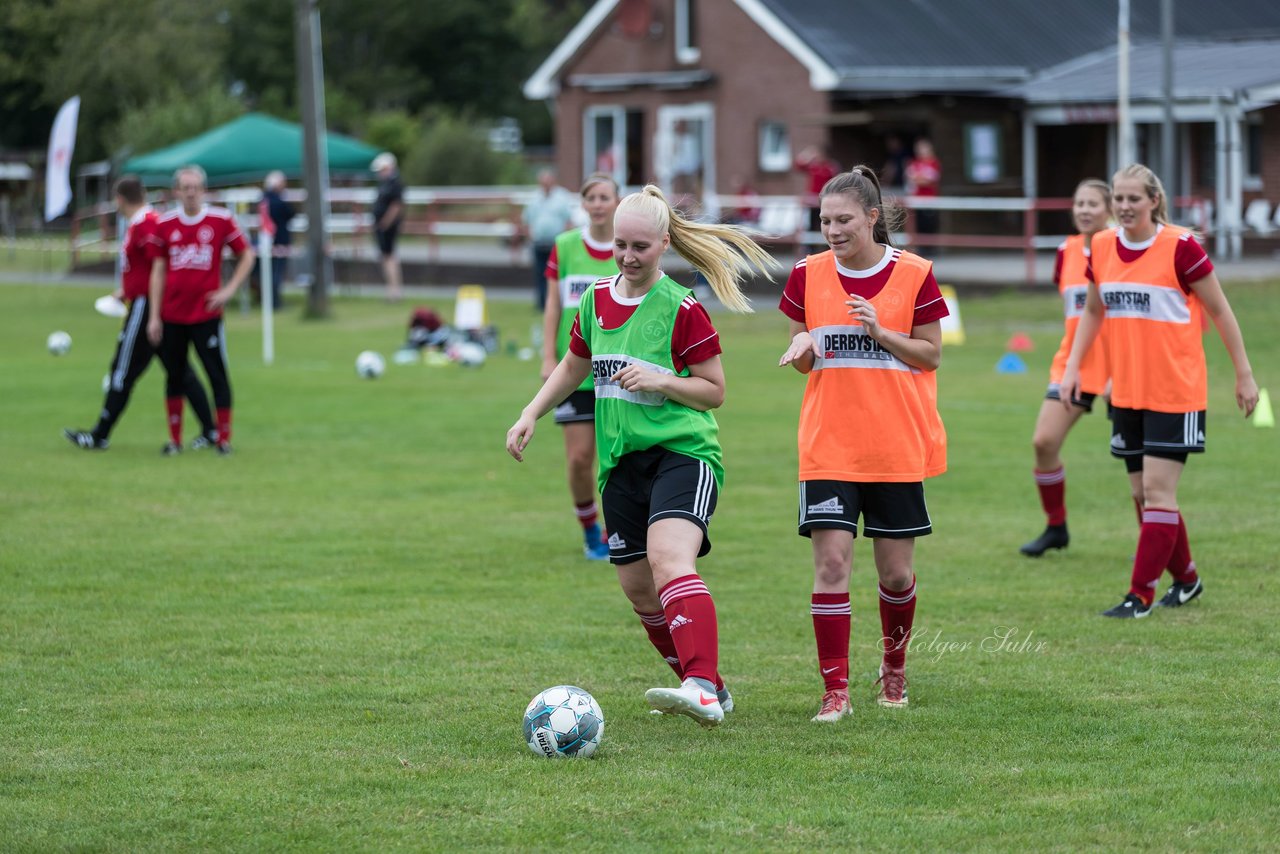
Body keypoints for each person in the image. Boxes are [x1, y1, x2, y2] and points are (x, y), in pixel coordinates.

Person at [506, 185, 775, 727]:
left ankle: (698, 683)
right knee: (637, 588)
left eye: (641, 247)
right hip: (620, 462)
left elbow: (715, 389)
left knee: (669, 560)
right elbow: (573, 365)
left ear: (665, 243)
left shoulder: (682, 307)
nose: (627, 257)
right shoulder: (596, 299)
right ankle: (712, 688)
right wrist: (531, 412)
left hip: (683, 452)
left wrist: (662, 379)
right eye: (620, 246)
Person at [778, 166, 949, 721]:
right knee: (831, 565)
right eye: (824, 220)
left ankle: (893, 670)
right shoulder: (806, 274)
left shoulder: (916, 274)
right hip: (828, 446)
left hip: (894, 445)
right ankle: (836, 690)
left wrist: (879, 331)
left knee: (895, 574)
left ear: (872, 218)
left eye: (843, 219)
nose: (832, 229)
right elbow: (805, 360)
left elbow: (930, 355)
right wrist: (802, 345)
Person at [1060, 163, 1259, 618]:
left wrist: (1243, 373)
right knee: (1140, 494)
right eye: (1119, 198)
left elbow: (1222, 312)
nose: (1125, 206)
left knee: (1157, 491)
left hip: (1176, 391)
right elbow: (1093, 312)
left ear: (1154, 201)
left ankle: (1140, 596)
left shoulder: (1180, 247)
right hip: (1126, 392)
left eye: (1134, 198)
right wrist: (1073, 369)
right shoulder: (1103, 245)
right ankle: (1186, 579)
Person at [62, 175, 216, 451]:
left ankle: (100, 435)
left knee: (122, 370)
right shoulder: (145, 222)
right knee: (179, 369)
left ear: (119, 199)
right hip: (151, 304)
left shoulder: (145, 226)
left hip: (146, 307)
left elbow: (162, 264)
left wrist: (143, 298)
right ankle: (211, 430)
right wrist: (125, 290)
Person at [1020, 179, 1113, 556]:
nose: (1085, 210)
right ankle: (1056, 526)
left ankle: (1153, 542)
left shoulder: (1119, 249)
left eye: (1093, 203)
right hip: (1072, 363)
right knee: (1044, 442)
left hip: (1122, 365)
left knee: (1139, 464)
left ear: (1108, 209)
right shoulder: (1066, 251)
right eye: (1079, 203)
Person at [145, 165, 256, 456]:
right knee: (175, 376)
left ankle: (223, 440)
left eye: (196, 187)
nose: (191, 193)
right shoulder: (165, 224)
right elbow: (157, 271)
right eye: (185, 187)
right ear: (177, 191)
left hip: (207, 315)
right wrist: (154, 316)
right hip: (172, 315)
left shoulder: (220, 220)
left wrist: (228, 291)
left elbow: (247, 255)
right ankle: (175, 440)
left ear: (204, 190)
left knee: (216, 374)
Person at [541, 173, 622, 560]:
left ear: (617, 202)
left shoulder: (628, 250)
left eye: (605, 196)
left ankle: (618, 531)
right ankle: (591, 529)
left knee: (617, 458)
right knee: (578, 459)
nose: (598, 203)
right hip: (574, 370)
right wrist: (547, 357)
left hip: (617, 371)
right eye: (591, 197)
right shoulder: (565, 246)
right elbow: (553, 305)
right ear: (584, 204)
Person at [522, 169, 576, 311]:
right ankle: (541, 304)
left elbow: (569, 221)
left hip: (556, 244)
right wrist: (530, 236)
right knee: (540, 274)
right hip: (539, 243)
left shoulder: (562, 197)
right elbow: (527, 220)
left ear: (553, 181)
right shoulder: (534, 198)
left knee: (556, 275)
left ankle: (557, 303)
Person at [371, 152, 405, 302]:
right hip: (381, 226)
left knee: (389, 257)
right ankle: (391, 290)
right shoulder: (385, 184)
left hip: (387, 227)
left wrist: (386, 222)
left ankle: (395, 291)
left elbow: (396, 205)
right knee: (386, 257)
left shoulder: (395, 183)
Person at [258, 170, 294, 309]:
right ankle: (275, 302)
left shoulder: (263, 199)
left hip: (267, 240)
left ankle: (269, 300)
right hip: (278, 241)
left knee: (270, 273)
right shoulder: (277, 201)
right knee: (276, 273)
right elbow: (290, 213)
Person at [794, 145, 839, 247]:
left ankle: (828, 246)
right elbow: (798, 164)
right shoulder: (813, 166)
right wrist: (807, 154)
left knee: (826, 223)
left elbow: (835, 183)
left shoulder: (830, 167)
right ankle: (811, 249)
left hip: (824, 202)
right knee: (811, 225)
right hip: (812, 203)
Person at [905, 138, 941, 244]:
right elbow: (910, 178)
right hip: (916, 199)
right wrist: (920, 179)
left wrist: (919, 179)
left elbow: (930, 180)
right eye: (919, 148)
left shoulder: (934, 162)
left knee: (929, 224)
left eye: (923, 148)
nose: (921, 151)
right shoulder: (914, 162)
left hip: (929, 199)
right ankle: (920, 247)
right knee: (918, 224)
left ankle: (931, 248)